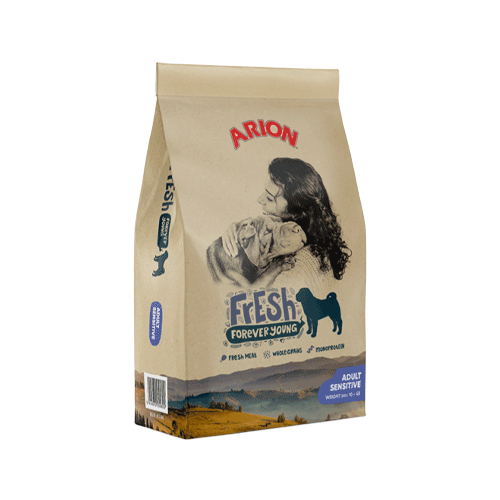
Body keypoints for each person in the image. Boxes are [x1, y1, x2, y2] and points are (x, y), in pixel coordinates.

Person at [222, 157, 351, 295]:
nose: (259, 199)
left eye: (270, 198)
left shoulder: (295, 267)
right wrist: (238, 228)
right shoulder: (309, 239)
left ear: (296, 212)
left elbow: (251, 302)